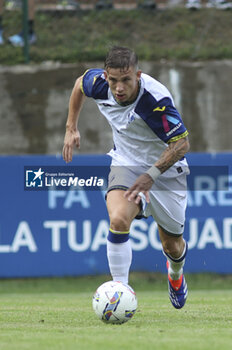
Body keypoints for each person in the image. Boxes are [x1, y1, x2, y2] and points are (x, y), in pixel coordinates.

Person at [63, 46, 190, 309]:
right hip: (126, 163)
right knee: (119, 219)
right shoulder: (98, 84)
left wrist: (152, 174)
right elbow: (79, 85)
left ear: (138, 76)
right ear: (106, 76)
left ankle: (175, 275)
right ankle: (119, 295)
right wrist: (71, 127)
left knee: (173, 246)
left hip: (165, 171)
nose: (118, 88)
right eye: (113, 80)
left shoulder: (154, 101)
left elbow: (181, 144)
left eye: (126, 80)